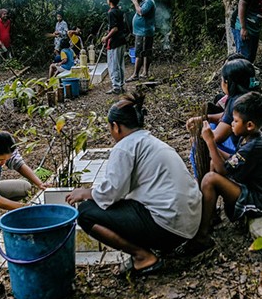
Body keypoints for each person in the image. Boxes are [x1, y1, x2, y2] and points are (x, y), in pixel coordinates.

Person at [66, 93, 201, 277]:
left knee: (86, 213)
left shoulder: (124, 146)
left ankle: (143, 257)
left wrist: (85, 193)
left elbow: (111, 193)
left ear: (116, 127)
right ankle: (150, 250)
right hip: (188, 224)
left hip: (168, 227)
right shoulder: (150, 141)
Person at [179, 92, 262, 255]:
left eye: (235, 121)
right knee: (212, 163)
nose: (231, 123)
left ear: (250, 125)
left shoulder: (254, 146)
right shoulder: (248, 137)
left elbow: (223, 170)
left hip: (260, 201)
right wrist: (208, 145)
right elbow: (231, 160)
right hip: (250, 188)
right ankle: (209, 216)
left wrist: (210, 142)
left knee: (210, 179)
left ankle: (202, 237)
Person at [186, 58, 262, 178]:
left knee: (199, 145)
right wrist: (205, 118)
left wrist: (200, 138)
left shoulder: (237, 101)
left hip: (260, 169)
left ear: (227, 82)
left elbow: (216, 138)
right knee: (210, 128)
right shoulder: (253, 97)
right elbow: (225, 118)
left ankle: (201, 182)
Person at [126, 0, 156, 82]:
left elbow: (141, 12)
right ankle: (145, 73)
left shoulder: (149, 1)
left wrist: (135, 2)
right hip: (143, 31)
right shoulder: (144, 1)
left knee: (139, 53)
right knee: (146, 52)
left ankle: (135, 75)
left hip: (144, 32)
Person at [102, 0, 128, 94]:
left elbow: (115, 28)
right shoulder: (119, 11)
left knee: (113, 64)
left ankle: (116, 86)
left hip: (115, 42)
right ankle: (120, 84)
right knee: (120, 64)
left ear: (109, 0)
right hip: (121, 40)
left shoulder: (111, 12)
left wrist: (106, 37)